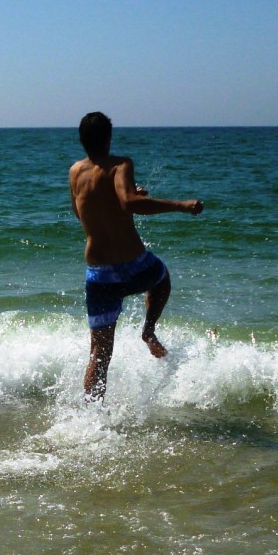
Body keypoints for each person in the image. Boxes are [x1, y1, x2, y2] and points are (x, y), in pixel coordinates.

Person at [69, 112, 203, 401]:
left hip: (98, 273)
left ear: (81, 140)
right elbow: (129, 203)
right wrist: (180, 205)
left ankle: (91, 416)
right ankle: (149, 331)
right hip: (132, 266)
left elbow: (82, 212)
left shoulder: (75, 171)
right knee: (161, 277)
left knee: (99, 354)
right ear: (108, 138)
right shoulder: (121, 164)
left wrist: (120, 199)